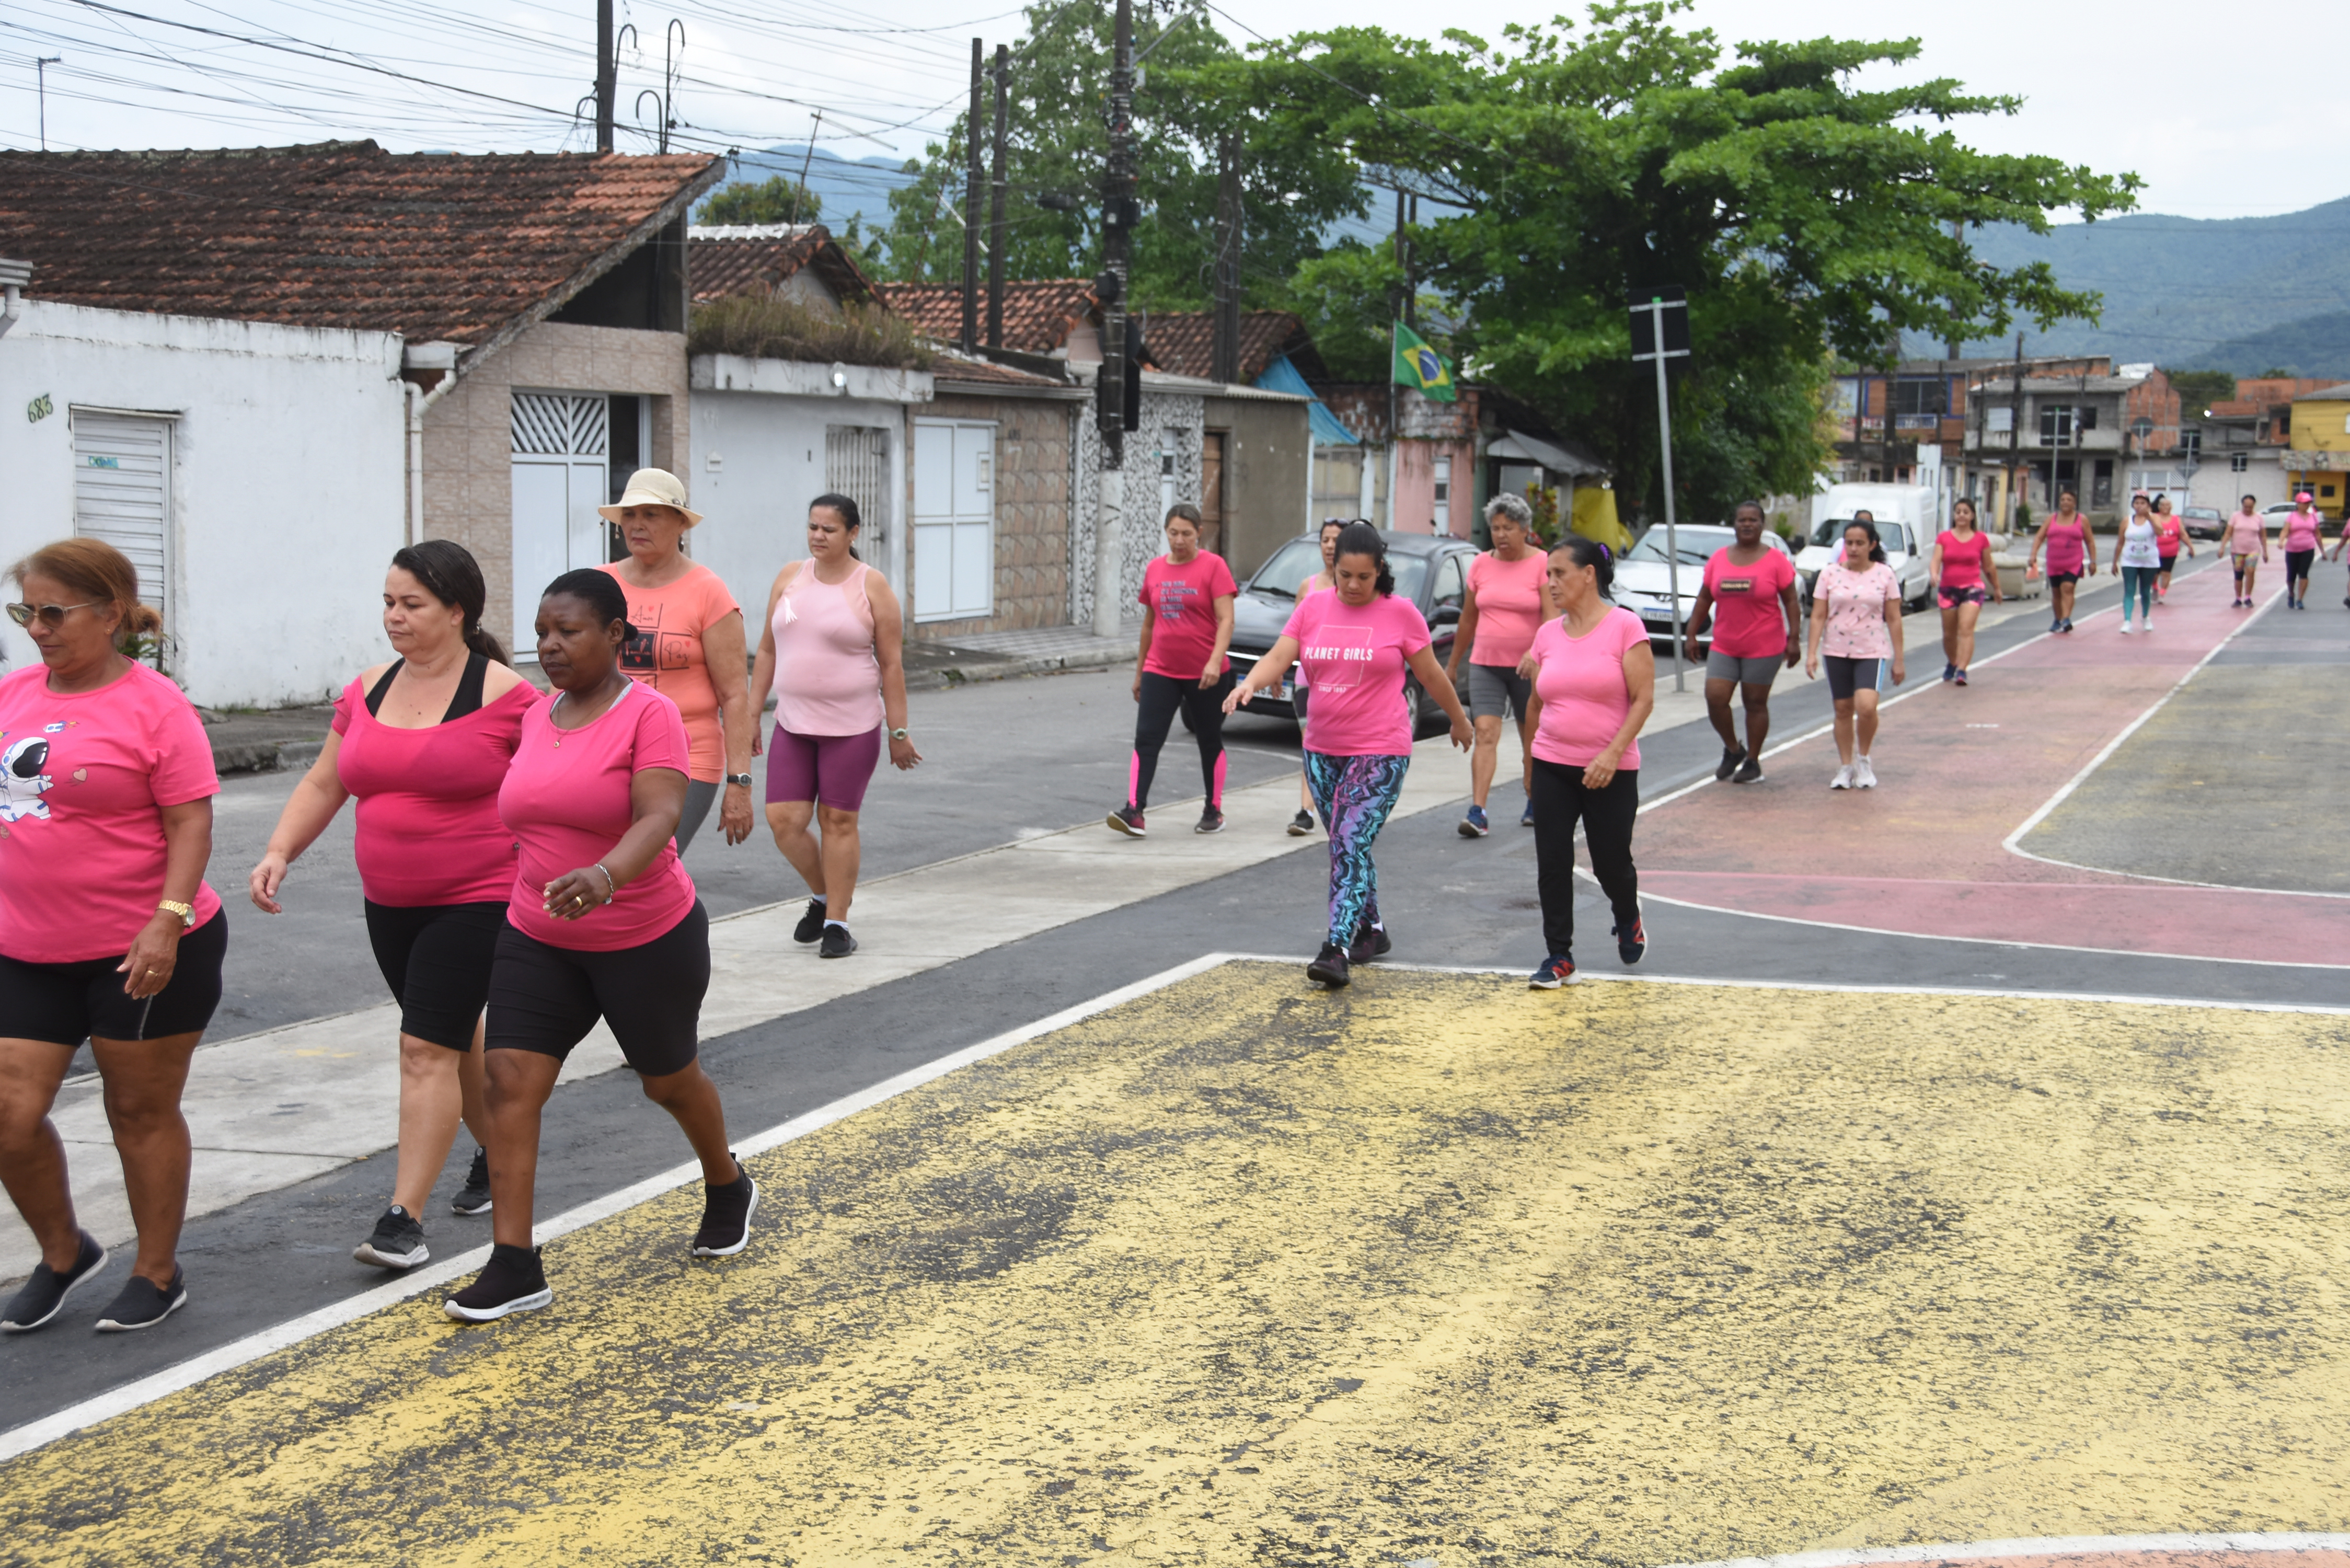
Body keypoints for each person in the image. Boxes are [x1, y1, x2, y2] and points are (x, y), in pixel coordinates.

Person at [444, 569, 751, 1322]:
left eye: (568, 632)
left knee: (667, 1081)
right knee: (508, 1081)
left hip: (645, 936)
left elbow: (659, 815)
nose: (549, 646)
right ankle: (515, 1262)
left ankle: (726, 1181)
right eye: (542, 633)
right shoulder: (537, 716)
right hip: (537, 934)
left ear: (616, 637)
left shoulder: (651, 715)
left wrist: (606, 876)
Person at [248, 541, 532, 1269]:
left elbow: (549, 790)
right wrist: (281, 849)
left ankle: (401, 1221)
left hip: (478, 897)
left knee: (422, 1047)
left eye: (411, 604)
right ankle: (502, 1160)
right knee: (450, 1040)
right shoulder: (367, 688)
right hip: (390, 902)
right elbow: (324, 781)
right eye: (388, 602)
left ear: (456, 612)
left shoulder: (507, 696)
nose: (394, 617)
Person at [0, 540, 225, 1334]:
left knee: (138, 1109)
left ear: (111, 614)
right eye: (25, 610)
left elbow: (189, 821)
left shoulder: (153, 704)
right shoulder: (13, 694)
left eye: (53, 612)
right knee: (8, 1109)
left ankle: (157, 1273)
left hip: (144, 945)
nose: (36, 628)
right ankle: (64, 1253)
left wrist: (166, 922)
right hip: (27, 946)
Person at [1223, 523, 1471, 988]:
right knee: (1345, 842)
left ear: (1380, 572)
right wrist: (1250, 684)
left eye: (1364, 577)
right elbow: (1281, 655)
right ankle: (1371, 930)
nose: (1354, 586)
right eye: (1345, 576)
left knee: (1350, 841)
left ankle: (1336, 947)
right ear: (1333, 570)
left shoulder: (1401, 614)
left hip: (1381, 749)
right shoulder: (1314, 607)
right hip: (1322, 749)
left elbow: (1432, 676)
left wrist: (1459, 719)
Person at [747, 494, 919, 960]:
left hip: (853, 726)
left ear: (853, 534)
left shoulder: (873, 586)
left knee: (838, 821)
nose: (818, 536)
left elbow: (892, 665)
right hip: (794, 723)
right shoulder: (790, 578)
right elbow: (766, 651)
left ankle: (838, 924)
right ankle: (824, 897)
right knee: (784, 822)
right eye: (813, 527)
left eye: (829, 529)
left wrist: (898, 734)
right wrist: (749, 716)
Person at [1518, 538, 1655, 989]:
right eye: (1548, 575)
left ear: (1589, 575)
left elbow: (1643, 699)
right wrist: (1529, 762)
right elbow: (1536, 704)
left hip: (1611, 770)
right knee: (1552, 861)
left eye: (1559, 573)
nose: (1551, 582)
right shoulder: (1546, 636)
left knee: (1610, 862)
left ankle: (1627, 914)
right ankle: (1559, 956)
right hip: (1553, 763)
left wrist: (1612, 754)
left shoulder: (1625, 627)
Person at [596, 468, 755, 856]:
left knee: (650, 863)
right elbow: (569, 678)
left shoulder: (708, 592)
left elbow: (735, 695)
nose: (637, 525)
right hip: (606, 751)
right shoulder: (598, 586)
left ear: (680, 523)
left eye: (651, 515)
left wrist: (740, 782)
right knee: (605, 867)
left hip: (686, 756)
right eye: (630, 515)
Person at [1109, 504, 1235, 837]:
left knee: (1209, 739)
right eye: (1174, 533)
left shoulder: (1213, 566)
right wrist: (1139, 673)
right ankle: (1134, 810)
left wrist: (1213, 660)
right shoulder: (1155, 569)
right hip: (1160, 669)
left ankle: (1213, 809)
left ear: (1199, 534)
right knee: (1147, 738)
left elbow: (1227, 619)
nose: (1179, 541)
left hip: (1207, 673)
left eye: (1187, 534)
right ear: (1166, 532)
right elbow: (1149, 626)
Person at [1444, 493, 1554, 836]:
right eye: (1495, 528)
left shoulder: (1542, 564)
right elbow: (1468, 619)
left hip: (1529, 668)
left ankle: (1535, 798)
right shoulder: (1480, 565)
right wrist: (1453, 664)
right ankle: (1478, 811)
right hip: (1486, 664)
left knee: (1532, 741)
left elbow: (1553, 619)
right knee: (1487, 734)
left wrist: (1535, 653)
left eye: (1509, 528)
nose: (1501, 534)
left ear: (1525, 530)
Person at [1684, 500, 1798, 783]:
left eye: (1753, 520)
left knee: (1754, 703)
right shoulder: (1719, 559)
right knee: (1715, 697)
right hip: (1725, 643)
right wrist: (1691, 633)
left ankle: (1752, 761)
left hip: (1764, 644)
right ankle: (1734, 749)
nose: (1747, 524)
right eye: (1742, 520)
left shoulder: (1775, 561)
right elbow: (1704, 597)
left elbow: (1792, 600)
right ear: (1734, 525)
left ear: (1762, 525)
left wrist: (1794, 638)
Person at [1804, 520, 1908, 789]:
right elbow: (1818, 615)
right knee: (1842, 709)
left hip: (1872, 650)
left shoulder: (1885, 575)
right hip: (1836, 649)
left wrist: (1899, 658)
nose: (1853, 548)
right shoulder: (1830, 574)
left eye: (1860, 543)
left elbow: (1894, 619)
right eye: (1849, 543)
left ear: (1872, 545)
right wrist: (1811, 653)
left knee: (1866, 706)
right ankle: (1845, 766)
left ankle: (1864, 758)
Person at [1287, 518, 1345, 836]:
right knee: (1310, 743)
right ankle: (1305, 810)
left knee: (1340, 746)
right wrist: (1276, 672)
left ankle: (1340, 802)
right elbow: (1293, 637)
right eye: (1325, 539)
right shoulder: (1307, 587)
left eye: (1336, 539)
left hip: (1343, 682)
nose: (1330, 545)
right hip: (1307, 680)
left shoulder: (1353, 589)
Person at [1929, 497, 2001, 684]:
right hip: (1948, 590)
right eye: (1958, 512)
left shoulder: (1980, 539)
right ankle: (1953, 662)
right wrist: (1934, 574)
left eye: (1965, 512)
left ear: (1972, 516)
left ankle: (1962, 669)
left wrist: (1998, 588)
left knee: (1966, 629)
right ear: (1954, 515)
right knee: (1949, 634)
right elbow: (1936, 560)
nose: (1961, 515)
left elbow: (1989, 566)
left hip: (1972, 588)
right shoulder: (1944, 537)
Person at [2026, 489, 2096, 634]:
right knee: (2056, 592)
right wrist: (2033, 554)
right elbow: (2040, 537)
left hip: (2073, 562)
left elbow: (2090, 541)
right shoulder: (2051, 518)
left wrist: (2093, 561)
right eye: (2063, 499)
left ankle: (2066, 619)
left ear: (2075, 503)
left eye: (2069, 500)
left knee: (2068, 588)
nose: (2065, 502)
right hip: (2054, 562)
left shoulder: (2081, 520)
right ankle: (2057, 619)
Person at [2115, 493, 2162, 634]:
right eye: (2137, 503)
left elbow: (2160, 532)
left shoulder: (2155, 518)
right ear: (2133, 505)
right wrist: (2115, 562)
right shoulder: (2127, 521)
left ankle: (2145, 616)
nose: (2139, 506)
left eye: (2143, 503)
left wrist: (2150, 518)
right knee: (2129, 590)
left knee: (2145, 591)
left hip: (2149, 562)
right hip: (2130, 561)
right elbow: (2120, 542)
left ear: (2148, 505)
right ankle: (2127, 621)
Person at [2280, 491, 2324, 610]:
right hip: (2292, 549)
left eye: (2308, 503)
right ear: (2298, 504)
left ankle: (2300, 599)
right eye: (2304, 503)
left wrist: (2322, 551)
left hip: (2308, 549)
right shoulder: (2292, 516)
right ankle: (2291, 594)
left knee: (2304, 573)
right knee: (2291, 575)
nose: (2306, 505)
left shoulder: (2313, 517)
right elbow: (2285, 530)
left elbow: (2318, 534)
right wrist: (2281, 541)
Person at [2224, 494, 2269, 607]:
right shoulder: (2236, 516)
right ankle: (2238, 598)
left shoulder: (2259, 518)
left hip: (2253, 550)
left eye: (2250, 507)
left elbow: (2263, 536)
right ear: (2242, 506)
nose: (2248, 510)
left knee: (2250, 571)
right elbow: (2228, 533)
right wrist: (2222, 547)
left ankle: (2248, 597)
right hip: (2237, 551)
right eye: (2246, 507)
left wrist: (2265, 551)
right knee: (2239, 574)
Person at [2151, 495, 2195, 602]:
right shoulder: (2154, 518)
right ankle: (2155, 587)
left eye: (2168, 505)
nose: (2166, 507)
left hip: (2171, 552)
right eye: (2164, 505)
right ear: (2159, 507)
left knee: (2167, 573)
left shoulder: (2176, 519)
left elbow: (2183, 534)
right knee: (2154, 574)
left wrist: (2190, 547)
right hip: (2155, 552)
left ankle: (2162, 594)